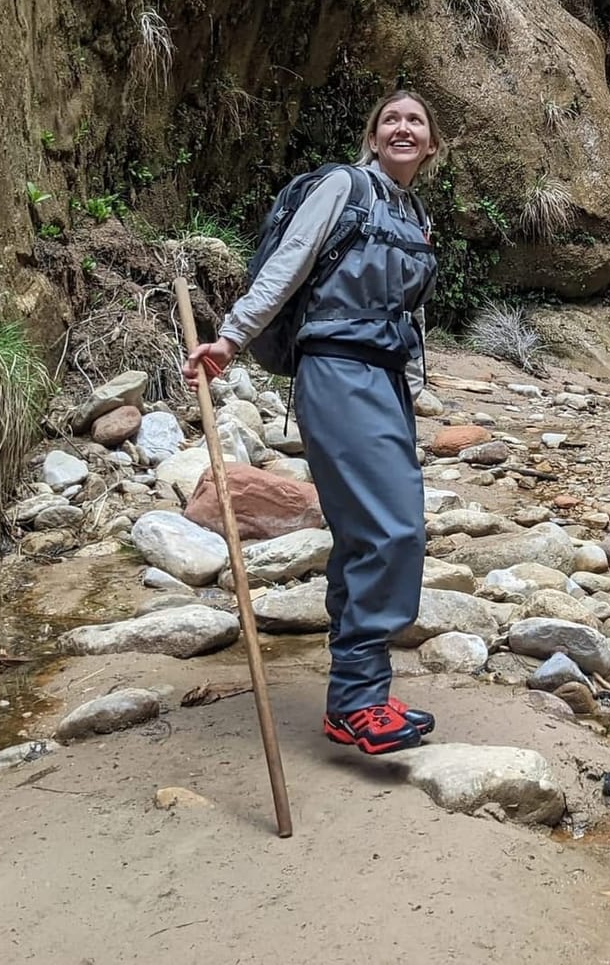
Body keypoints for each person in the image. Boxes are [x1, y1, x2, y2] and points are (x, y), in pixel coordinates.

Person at [185, 89, 442, 756]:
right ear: (374, 135)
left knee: (367, 531)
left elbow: (411, 318)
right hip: (335, 367)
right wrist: (230, 338)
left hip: (382, 379)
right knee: (394, 528)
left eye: (414, 119)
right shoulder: (343, 185)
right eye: (390, 117)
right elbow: (289, 261)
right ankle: (360, 699)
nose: (402, 126)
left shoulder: (414, 214)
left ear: (432, 144)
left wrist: (411, 394)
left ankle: (353, 703)